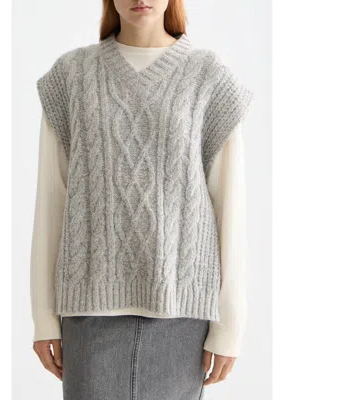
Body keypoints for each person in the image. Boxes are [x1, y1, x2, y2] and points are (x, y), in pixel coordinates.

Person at [30, 0, 253, 399]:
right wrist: (44, 318)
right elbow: (50, 201)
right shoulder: (72, 76)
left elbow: (229, 207)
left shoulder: (208, 76)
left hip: (181, 311)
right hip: (89, 312)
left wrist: (230, 326)